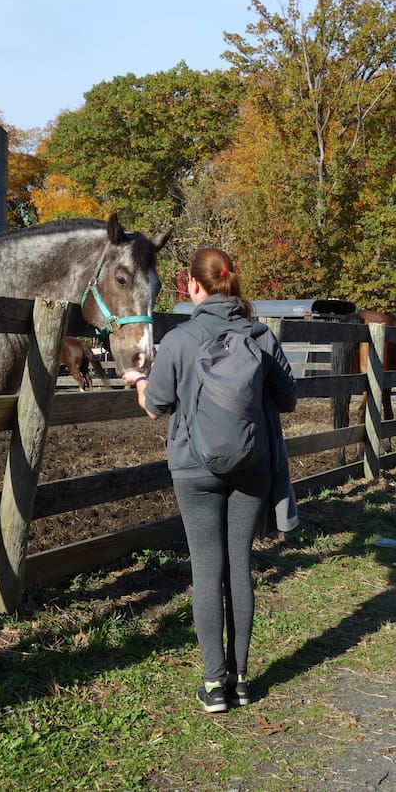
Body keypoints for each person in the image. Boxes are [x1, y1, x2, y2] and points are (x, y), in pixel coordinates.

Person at [123, 247, 298, 712]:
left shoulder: (180, 339)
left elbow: (155, 406)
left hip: (194, 467)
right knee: (239, 566)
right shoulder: (260, 334)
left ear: (193, 286)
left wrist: (139, 381)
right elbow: (289, 400)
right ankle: (241, 679)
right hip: (252, 467)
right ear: (231, 280)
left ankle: (214, 685)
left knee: (207, 569)